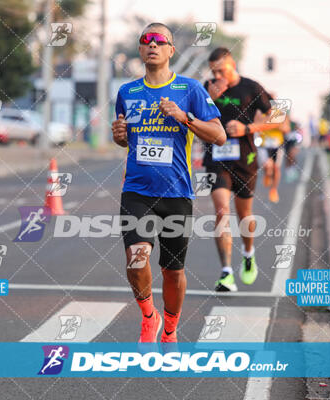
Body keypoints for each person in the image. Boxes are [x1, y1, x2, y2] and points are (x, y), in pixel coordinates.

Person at [111, 23, 225, 342]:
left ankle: (171, 328)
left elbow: (219, 134)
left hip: (177, 193)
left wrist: (184, 117)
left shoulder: (190, 90)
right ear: (140, 48)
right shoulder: (126, 93)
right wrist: (119, 137)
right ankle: (149, 315)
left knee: (172, 271)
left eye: (159, 41)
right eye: (146, 40)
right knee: (137, 257)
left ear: (171, 50)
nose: (152, 45)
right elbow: (126, 140)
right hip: (137, 192)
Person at [202, 47, 282, 292]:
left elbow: (278, 117)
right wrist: (210, 99)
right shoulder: (208, 86)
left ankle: (248, 252)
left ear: (232, 64)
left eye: (221, 70)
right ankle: (226, 272)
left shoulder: (252, 87)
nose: (218, 75)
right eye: (214, 71)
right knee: (221, 211)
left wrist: (248, 129)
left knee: (244, 214)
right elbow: (195, 116)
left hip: (245, 159)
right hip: (216, 157)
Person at [256, 94, 291, 203]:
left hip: (277, 145)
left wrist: (277, 125)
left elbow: (286, 129)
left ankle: (274, 190)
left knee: (276, 168)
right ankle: (267, 173)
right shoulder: (259, 111)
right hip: (264, 144)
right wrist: (268, 122)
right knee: (268, 165)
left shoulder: (281, 113)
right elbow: (256, 125)